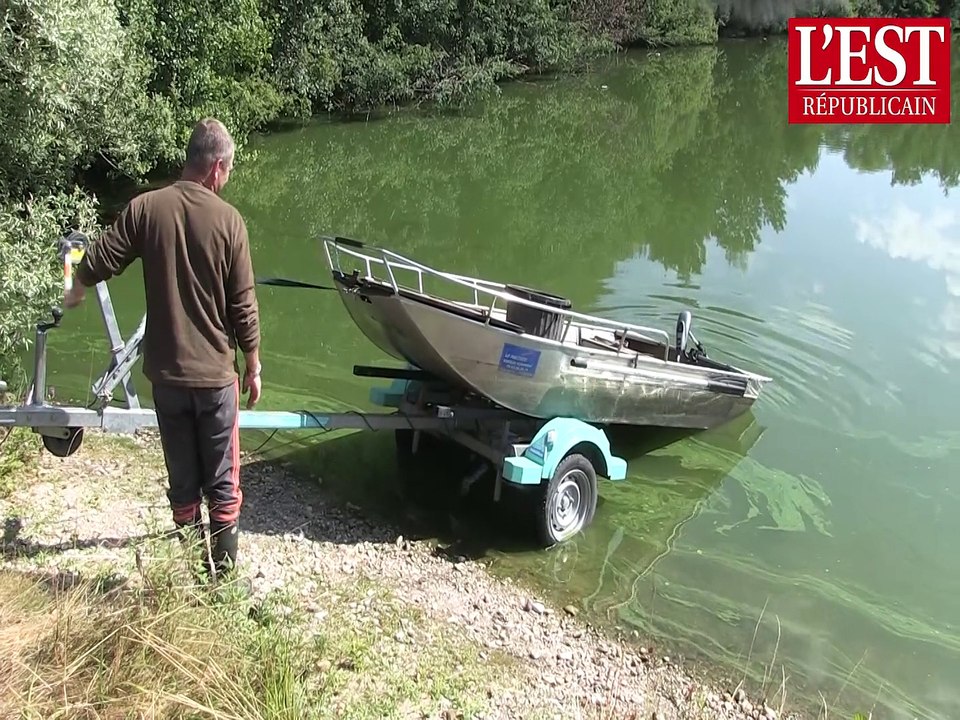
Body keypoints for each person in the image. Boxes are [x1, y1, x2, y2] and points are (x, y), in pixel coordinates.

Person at [64, 117, 262, 584]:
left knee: (183, 482)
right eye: (228, 171)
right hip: (215, 379)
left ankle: (195, 575)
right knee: (223, 483)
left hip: (168, 379)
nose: (227, 179)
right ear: (215, 168)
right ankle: (224, 586)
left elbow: (102, 256)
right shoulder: (229, 220)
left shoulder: (145, 209)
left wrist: (76, 286)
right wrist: (252, 364)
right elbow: (243, 306)